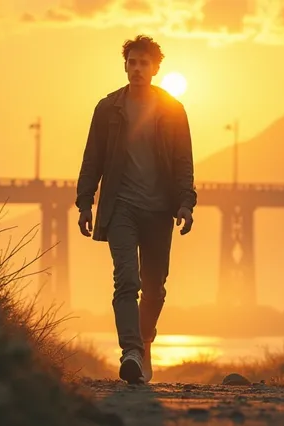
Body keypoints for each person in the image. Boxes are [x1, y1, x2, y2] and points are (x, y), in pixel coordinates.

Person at [74, 35, 197, 385]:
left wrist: (186, 202)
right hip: (121, 207)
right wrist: (85, 202)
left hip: (160, 210)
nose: (137, 68)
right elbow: (92, 159)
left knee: (155, 287)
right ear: (125, 66)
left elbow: (183, 161)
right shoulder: (107, 108)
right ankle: (130, 352)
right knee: (126, 281)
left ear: (155, 69)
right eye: (132, 62)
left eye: (144, 63)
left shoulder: (173, 110)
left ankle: (144, 343)